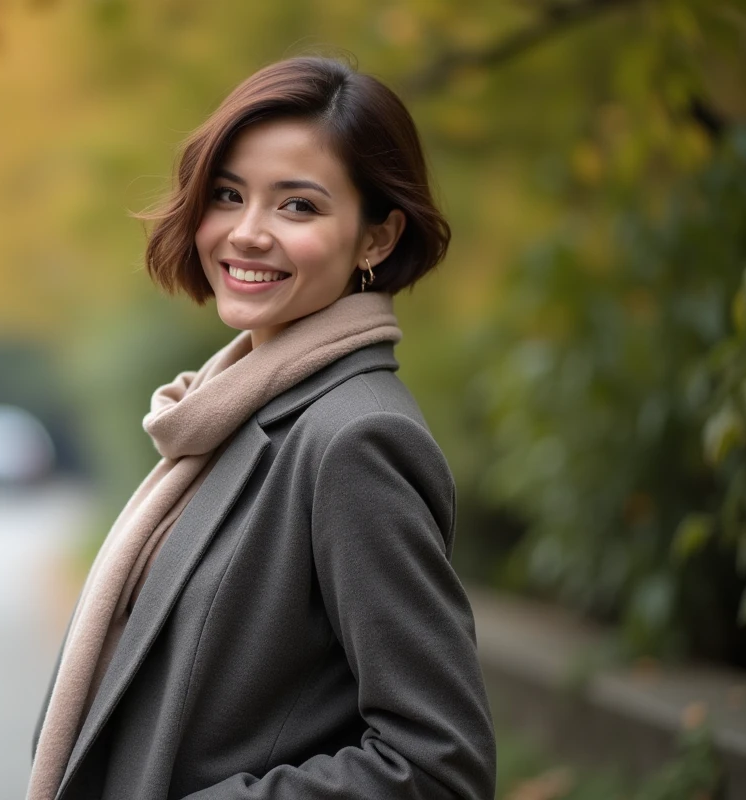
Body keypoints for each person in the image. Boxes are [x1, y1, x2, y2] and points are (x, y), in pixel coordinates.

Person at [28, 55, 497, 800]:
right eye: (228, 195)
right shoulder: (225, 414)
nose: (246, 234)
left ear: (376, 239)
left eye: (298, 206)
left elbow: (441, 765)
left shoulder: (356, 438)